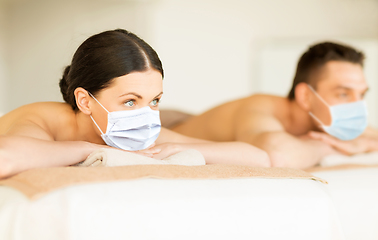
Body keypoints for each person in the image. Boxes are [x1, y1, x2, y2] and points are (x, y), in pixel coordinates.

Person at [0, 29, 270, 179]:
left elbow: (258, 158)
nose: (145, 115)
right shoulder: (41, 120)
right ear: (84, 101)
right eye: (130, 101)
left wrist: (176, 146)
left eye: (154, 101)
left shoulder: (138, 128)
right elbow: (6, 159)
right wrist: (88, 149)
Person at [171, 41, 378, 169]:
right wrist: (327, 147)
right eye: (343, 94)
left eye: (361, 94)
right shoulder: (260, 110)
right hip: (171, 127)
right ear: (306, 96)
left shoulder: (325, 121)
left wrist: (363, 144)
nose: (357, 105)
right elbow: (277, 155)